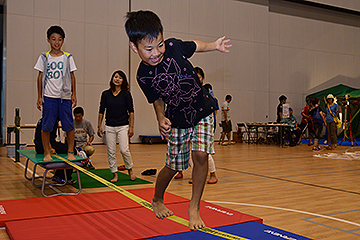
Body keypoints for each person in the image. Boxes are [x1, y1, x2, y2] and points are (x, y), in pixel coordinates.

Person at [125, 10, 231, 230]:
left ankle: (194, 207)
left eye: (160, 45)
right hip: (178, 120)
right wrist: (160, 118)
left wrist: (215, 45)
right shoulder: (143, 75)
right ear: (134, 47)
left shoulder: (174, 48)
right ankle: (157, 198)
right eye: (149, 49)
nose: (157, 53)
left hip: (203, 109)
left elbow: (196, 45)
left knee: (201, 155)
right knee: (173, 166)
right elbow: (156, 100)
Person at [35, 25, 77, 161]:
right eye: (54, 39)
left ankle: (70, 151)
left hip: (64, 97)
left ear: (63, 41)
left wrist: (73, 94)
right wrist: (39, 97)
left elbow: (72, 76)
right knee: (46, 126)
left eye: (59, 39)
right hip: (49, 97)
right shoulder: (44, 57)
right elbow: (40, 77)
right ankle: (47, 153)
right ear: (48, 40)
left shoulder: (68, 57)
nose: (57, 42)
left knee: (69, 125)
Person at [174, 67, 219, 184]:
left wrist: (212, 124)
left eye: (199, 77)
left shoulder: (207, 92)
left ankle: (213, 174)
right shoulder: (188, 90)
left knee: (203, 153)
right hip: (189, 124)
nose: (197, 79)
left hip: (204, 125)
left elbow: (213, 109)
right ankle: (196, 175)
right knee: (189, 153)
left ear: (202, 78)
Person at [98, 70, 136, 182]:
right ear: (112, 79)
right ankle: (115, 174)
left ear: (123, 81)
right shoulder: (105, 94)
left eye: (120, 77)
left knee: (124, 150)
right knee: (111, 151)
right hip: (109, 126)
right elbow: (101, 110)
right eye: (115, 77)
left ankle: (130, 169)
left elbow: (131, 111)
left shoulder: (126, 94)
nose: (117, 79)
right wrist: (99, 126)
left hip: (123, 125)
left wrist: (131, 127)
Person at [34, 117, 77, 184]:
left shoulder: (45, 118)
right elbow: (46, 135)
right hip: (44, 146)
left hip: (39, 145)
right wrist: (50, 148)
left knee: (64, 148)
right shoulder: (51, 120)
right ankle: (63, 177)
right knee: (71, 150)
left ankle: (59, 174)